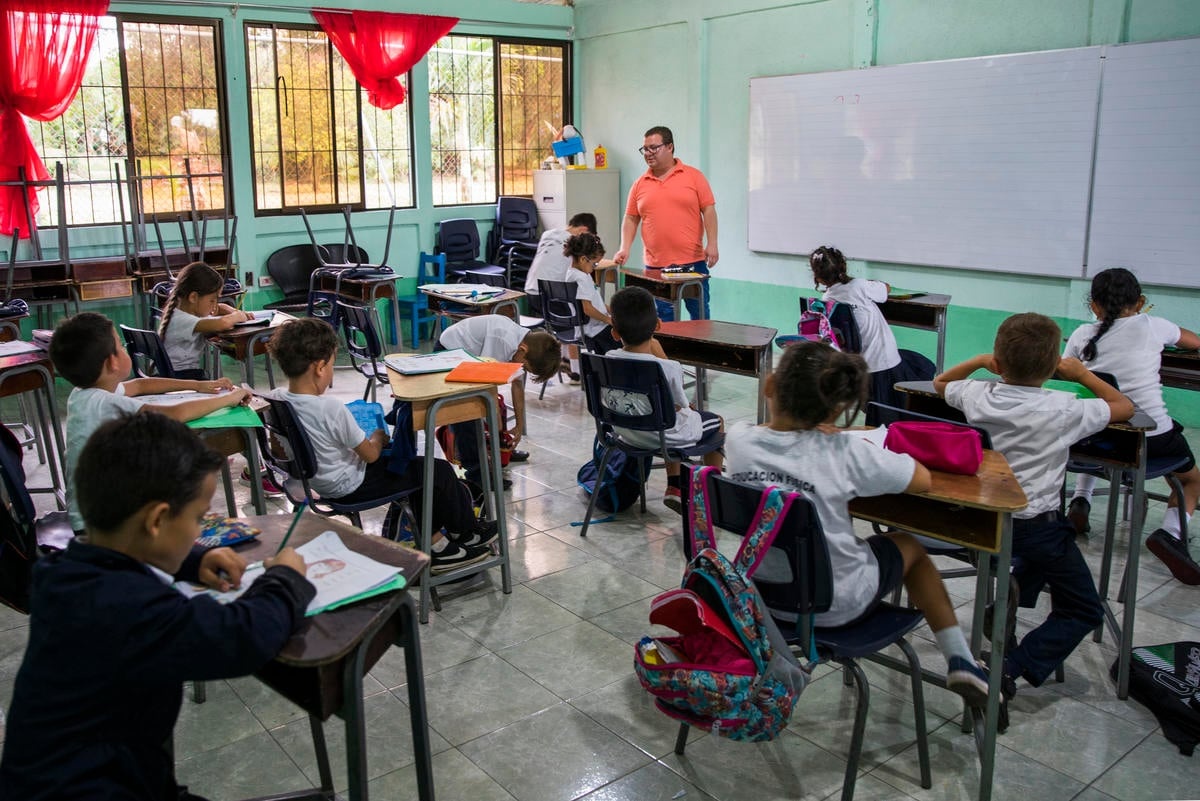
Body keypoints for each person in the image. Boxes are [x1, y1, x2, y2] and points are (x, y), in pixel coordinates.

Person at [0, 412, 314, 801]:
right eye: (198, 519)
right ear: (158, 520)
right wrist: (287, 578)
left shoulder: (65, 572)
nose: (200, 531)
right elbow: (242, 636)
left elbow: (127, 551)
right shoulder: (131, 609)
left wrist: (193, 560)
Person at [726, 340, 992, 706]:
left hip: (761, 600)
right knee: (909, 546)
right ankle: (961, 658)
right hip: (836, 604)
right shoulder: (846, 452)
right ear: (836, 409)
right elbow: (921, 479)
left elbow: (771, 439)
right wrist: (842, 437)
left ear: (770, 387)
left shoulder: (739, 441)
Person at [935, 312, 1134, 718]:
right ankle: (1006, 668)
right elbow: (1124, 407)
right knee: (1083, 607)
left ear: (999, 360)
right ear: (1052, 364)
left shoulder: (977, 393)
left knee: (1050, 544)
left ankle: (1006, 602)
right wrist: (1080, 374)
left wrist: (977, 360)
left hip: (976, 523)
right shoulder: (1065, 407)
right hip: (1034, 530)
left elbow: (940, 384)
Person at [267, 318, 495, 573]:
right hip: (351, 485)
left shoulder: (276, 399)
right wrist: (377, 436)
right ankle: (466, 532)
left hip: (318, 483)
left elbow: (277, 449)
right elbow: (371, 455)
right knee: (436, 470)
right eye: (331, 364)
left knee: (415, 471)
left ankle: (440, 543)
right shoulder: (328, 408)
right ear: (320, 367)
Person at [48, 311, 250, 534]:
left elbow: (141, 386)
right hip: (98, 527)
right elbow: (176, 414)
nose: (125, 349)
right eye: (122, 346)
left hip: (90, 514)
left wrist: (198, 385)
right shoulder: (100, 402)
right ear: (112, 362)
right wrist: (229, 398)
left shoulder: (84, 393)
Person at [1062, 268, 1200, 583]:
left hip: (1095, 436)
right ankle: (1170, 534)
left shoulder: (1083, 334)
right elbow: (1194, 342)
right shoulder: (1154, 326)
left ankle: (1080, 500)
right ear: (1140, 302)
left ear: (1094, 306)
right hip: (1149, 437)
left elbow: (1065, 375)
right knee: (1191, 480)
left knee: (1099, 422)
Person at [605, 286, 723, 513]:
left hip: (625, 435)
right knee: (714, 422)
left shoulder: (608, 359)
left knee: (667, 414)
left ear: (615, 332)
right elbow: (682, 405)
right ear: (658, 325)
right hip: (661, 435)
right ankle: (711, 498)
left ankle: (676, 487)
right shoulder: (667, 367)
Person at [809, 245, 932, 424]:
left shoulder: (826, 301)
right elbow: (885, 289)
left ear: (818, 277)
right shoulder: (859, 285)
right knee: (923, 368)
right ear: (843, 267)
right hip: (885, 362)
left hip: (859, 370)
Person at [437, 314, 559, 485]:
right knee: (467, 412)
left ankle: (500, 449)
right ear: (523, 351)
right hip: (449, 352)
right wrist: (495, 420)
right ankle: (478, 475)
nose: (522, 369)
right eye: (525, 367)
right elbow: (487, 382)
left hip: (471, 357)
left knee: (497, 407)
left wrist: (519, 424)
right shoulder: (502, 338)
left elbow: (517, 385)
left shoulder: (522, 344)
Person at [613, 125, 718, 322]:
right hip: (656, 265)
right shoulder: (640, 183)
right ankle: (666, 354)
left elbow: (709, 210)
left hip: (692, 261)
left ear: (669, 147)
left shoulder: (693, 176)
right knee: (664, 319)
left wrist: (712, 244)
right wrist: (624, 248)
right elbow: (631, 217)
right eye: (645, 149)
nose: (648, 153)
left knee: (700, 316)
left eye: (654, 147)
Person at [158, 261, 251, 379]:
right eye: (212, 300)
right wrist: (238, 315)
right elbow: (222, 323)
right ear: (193, 297)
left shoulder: (184, 311)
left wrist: (229, 309)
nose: (214, 304)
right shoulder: (181, 319)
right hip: (179, 377)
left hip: (179, 374)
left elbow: (218, 309)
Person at [563, 232, 621, 355]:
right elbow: (588, 309)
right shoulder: (582, 278)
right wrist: (608, 320)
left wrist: (614, 311)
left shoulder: (571, 273)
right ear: (583, 259)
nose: (595, 267)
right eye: (594, 263)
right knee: (629, 342)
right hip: (596, 330)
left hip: (589, 328)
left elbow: (596, 302)